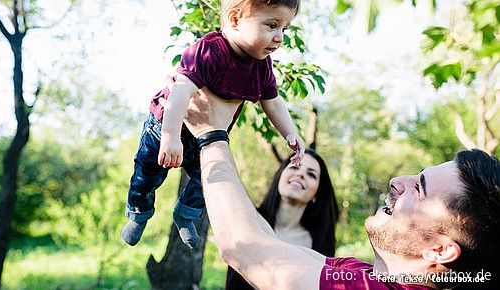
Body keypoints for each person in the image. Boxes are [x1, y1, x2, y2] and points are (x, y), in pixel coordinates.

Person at [182, 87, 500, 290]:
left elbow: (246, 249)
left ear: (440, 251)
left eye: (419, 189)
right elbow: (261, 242)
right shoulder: (360, 274)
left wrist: (211, 135)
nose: (396, 182)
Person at [121, 0, 306, 249]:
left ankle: (185, 216)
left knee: (206, 180)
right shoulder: (210, 50)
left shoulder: (262, 67)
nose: (279, 38)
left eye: (285, 28)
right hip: (166, 126)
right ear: (235, 20)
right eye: (272, 25)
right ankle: (138, 212)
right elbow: (180, 90)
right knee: (146, 174)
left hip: (203, 138)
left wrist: (290, 132)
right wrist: (171, 136)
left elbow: (272, 103)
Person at [226, 149, 340, 289]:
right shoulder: (249, 220)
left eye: (311, 174)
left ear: (316, 194)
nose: (300, 174)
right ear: (280, 176)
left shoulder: (321, 242)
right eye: (294, 166)